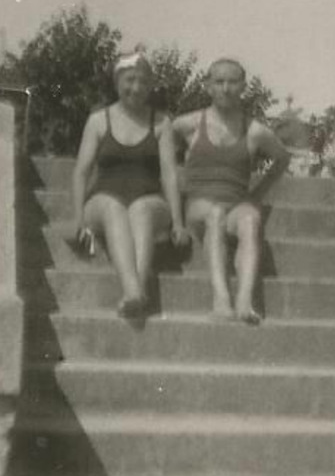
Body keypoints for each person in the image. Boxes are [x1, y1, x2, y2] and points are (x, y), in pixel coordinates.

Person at [68, 50, 191, 318]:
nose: (136, 88)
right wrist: (77, 217)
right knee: (114, 207)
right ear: (117, 82)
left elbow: (169, 174)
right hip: (102, 199)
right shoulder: (99, 120)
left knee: (141, 209)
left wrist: (179, 223)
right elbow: (81, 171)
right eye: (130, 80)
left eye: (144, 82)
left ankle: (135, 291)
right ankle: (135, 290)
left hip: (149, 198)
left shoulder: (161, 123)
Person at [173, 58, 292, 324]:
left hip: (237, 203)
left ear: (243, 87)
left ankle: (244, 301)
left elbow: (283, 159)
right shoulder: (188, 124)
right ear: (207, 86)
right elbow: (160, 154)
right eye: (219, 81)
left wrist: (256, 195)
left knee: (251, 219)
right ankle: (221, 300)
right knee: (215, 214)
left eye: (233, 82)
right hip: (199, 205)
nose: (226, 88)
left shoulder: (255, 131)